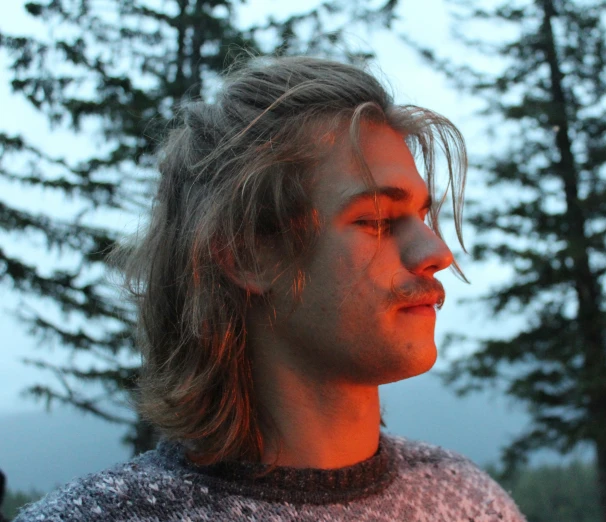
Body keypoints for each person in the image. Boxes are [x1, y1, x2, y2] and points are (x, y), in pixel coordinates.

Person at [16, 56, 526, 521]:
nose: (436, 252)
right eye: (375, 219)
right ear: (246, 254)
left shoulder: (467, 502)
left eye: (421, 215)